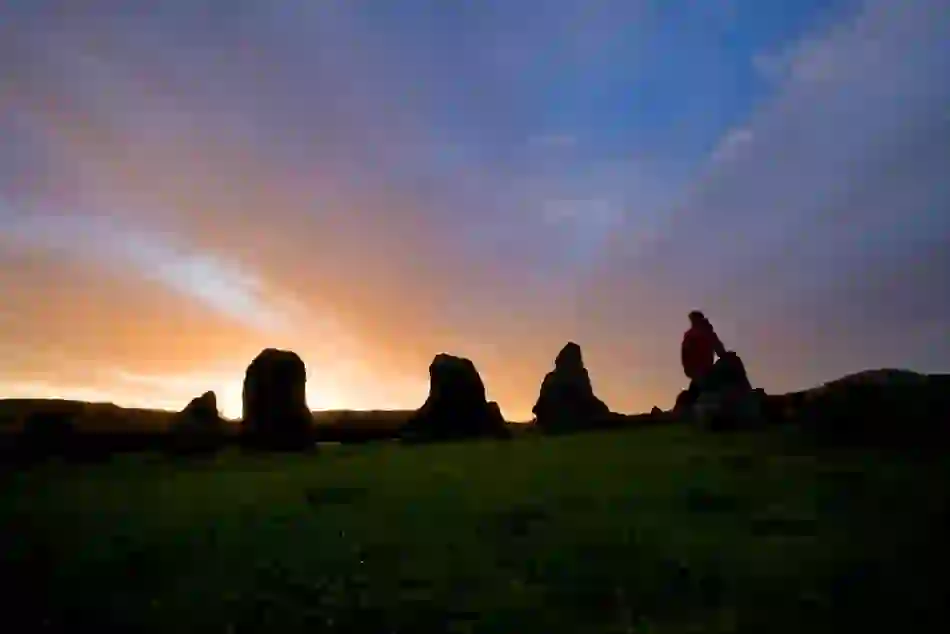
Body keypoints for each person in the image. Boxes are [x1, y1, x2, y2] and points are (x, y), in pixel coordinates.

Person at [679, 310, 728, 409]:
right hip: (701, 370)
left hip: (702, 370)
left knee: (703, 392)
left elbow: (719, 350)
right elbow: (720, 350)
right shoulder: (704, 333)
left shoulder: (696, 334)